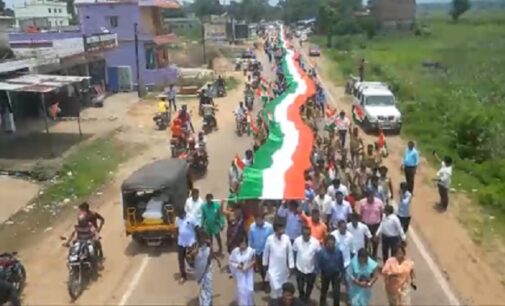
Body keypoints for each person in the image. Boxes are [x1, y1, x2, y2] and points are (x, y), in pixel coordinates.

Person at [263, 222, 295, 299]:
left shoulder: (286, 238)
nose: (282, 230)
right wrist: (265, 265)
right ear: (275, 230)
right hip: (272, 269)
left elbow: (290, 253)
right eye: (280, 229)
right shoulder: (270, 239)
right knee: (274, 289)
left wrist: (291, 266)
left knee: (282, 289)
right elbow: (266, 253)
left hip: (283, 269)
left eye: (282, 228)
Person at [292, 226, 321, 303]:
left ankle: (307, 298)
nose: (306, 235)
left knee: (309, 286)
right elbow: (294, 253)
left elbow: (318, 255)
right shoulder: (297, 241)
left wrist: (317, 269)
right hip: (300, 268)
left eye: (308, 234)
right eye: (304, 234)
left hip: (311, 269)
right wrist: (294, 265)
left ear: (310, 234)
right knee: (300, 287)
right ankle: (302, 297)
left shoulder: (315, 242)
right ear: (302, 233)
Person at [316, 235, 345, 306]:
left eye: (332, 244)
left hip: (335, 274)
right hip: (325, 274)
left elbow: (341, 263)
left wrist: (342, 274)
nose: (331, 246)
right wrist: (318, 276)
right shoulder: (321, 253)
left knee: (336, 293)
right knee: (323, 291)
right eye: (329, 244)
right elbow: (318, 264)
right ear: (326, 244)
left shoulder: (338, 252)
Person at [194, 231, 222, 306]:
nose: (203, 239)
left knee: (208, 287)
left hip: (208, 270)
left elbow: (211, 254)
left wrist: (218, 260)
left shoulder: (208, 247)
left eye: (204, 238)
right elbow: (192, 259)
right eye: (201, 238)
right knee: (203, 287)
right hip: (201, 271)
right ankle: (204, 302)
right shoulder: (196, 249)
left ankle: (206, 302)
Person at [248, 212, 274, 290]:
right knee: (260, 269)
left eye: (259, 220)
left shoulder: (269, 227)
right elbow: (250, 239)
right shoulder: (252, 227)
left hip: (266, 252)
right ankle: (264, 281)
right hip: (257, 251)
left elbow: (272, 239)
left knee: (267, 268)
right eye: (256, 220)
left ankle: (268, 284)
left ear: (263, 219)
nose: (257, 221)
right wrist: (251, 252)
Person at [229, 235, 255, 306]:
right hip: (239, 273)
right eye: (241, 242)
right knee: (241, 290)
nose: (243, 244)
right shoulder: (235, 251)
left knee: (249, 290)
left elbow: (253, 261)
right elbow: (231, 261)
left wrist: (248, 266)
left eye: (244, 242)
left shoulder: (251, 251)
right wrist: (238, 266)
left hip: (248, 273)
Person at [359, 189, 384, 258]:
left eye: (371, 196)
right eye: (369, 197)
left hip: (376, 225)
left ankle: (374, 254)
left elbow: (382, 214)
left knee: (375, 241)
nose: (370, 198)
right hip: (365, 225)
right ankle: (365, 255)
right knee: (365, 241)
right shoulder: (362, 202)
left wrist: (381, 224)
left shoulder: (379, 202)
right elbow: (360, 214)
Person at [175, 208, 198, 283]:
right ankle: (183, 276)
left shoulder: (191, 217)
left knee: (191, 259)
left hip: (191, 242)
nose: (179, 217)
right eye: (178, 216)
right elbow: (177, 229)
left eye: (180, 215)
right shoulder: (177, 219)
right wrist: (177, 239)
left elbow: (197, 228)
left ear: (184, 213)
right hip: (181, 243)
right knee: (180, 260)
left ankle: (198, 272)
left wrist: (198, 242)